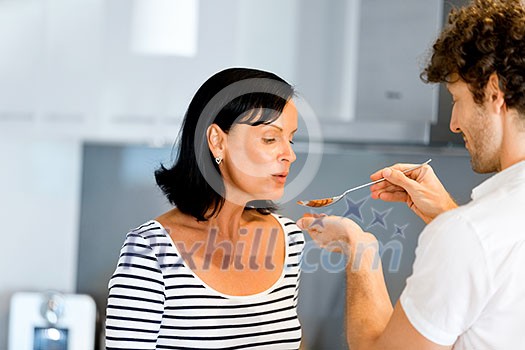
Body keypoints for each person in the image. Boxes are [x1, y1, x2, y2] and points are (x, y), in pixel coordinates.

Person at [297, 0, 525, 349]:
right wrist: (448, 214)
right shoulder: (482, 230)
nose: (453, 122)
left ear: (495, 93)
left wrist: (360, 249)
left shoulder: (467, 235)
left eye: (456, 99)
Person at [105, 67, 305, 349]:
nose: (290, 154)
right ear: (217, 141)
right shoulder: (150, 250)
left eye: (291, 139)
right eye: (271, 138)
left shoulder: (289, 240)